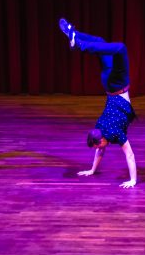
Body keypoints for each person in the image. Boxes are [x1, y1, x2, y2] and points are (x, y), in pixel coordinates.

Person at [58, 18, 137, 188]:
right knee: (102, 44)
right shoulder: (100, 128)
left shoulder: (112, 133)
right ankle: (75, 36)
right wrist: (92, 170)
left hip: (117, 85)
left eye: (97, 146)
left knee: (120, 48)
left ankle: (77, 39)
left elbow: (129, 155)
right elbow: (101, 150)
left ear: (99, 139)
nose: (98, 149)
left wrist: (133, 180)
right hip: (109, 83)